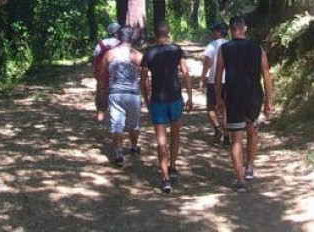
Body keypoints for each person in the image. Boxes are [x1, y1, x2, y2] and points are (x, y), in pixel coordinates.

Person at [214, 15, 273, 193]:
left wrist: (218, 97)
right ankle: (249, 166)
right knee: (252, 129)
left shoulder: (224, 48)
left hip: (234, 96)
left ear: (231, 30)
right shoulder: (258, 49)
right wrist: (269, 101)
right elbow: (266, 75)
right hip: (254, 95)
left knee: (236, 139)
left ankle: (240, 181)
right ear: (244, 29)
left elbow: (218, 75)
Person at [140, 21, 194, 194]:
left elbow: (144, 79)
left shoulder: (149, 53)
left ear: (155, 35)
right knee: (176, 133)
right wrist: (190, 96)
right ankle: (172, 165)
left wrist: (146, 98)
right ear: (168, 33)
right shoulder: (177, 50)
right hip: (175, 98)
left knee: (161, 140)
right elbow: (185, 72)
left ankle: (165, 179)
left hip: (158, 100)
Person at [97, 25, 142, 165]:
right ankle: (134, 147)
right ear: (131, 38)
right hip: (133, 93)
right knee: (133, 124)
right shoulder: (136, 55)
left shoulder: (109, 54)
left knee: (117, 124)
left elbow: (101, 72)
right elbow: (145, 74)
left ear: (118, 37)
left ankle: (118, 152)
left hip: (115, 93)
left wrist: (103, 87)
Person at [200, 21, 228, 144]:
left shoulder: (212, 45)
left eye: (214, 30)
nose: (212, 33)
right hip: (228, 81)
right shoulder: (230, 44)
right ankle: (227, 136)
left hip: (213, 80)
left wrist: (202, 77)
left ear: (218, 32)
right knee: (226, 109)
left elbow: (207, 63)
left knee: (211, 108)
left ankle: (217, 127)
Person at [93, 22, 121, 123]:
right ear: (118, 32)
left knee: (101, 95)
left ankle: (100, 117)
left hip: (102, 73)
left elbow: (95, 58)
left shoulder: (100, 44)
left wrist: (96, 73)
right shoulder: (120, 44)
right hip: (116, 75)